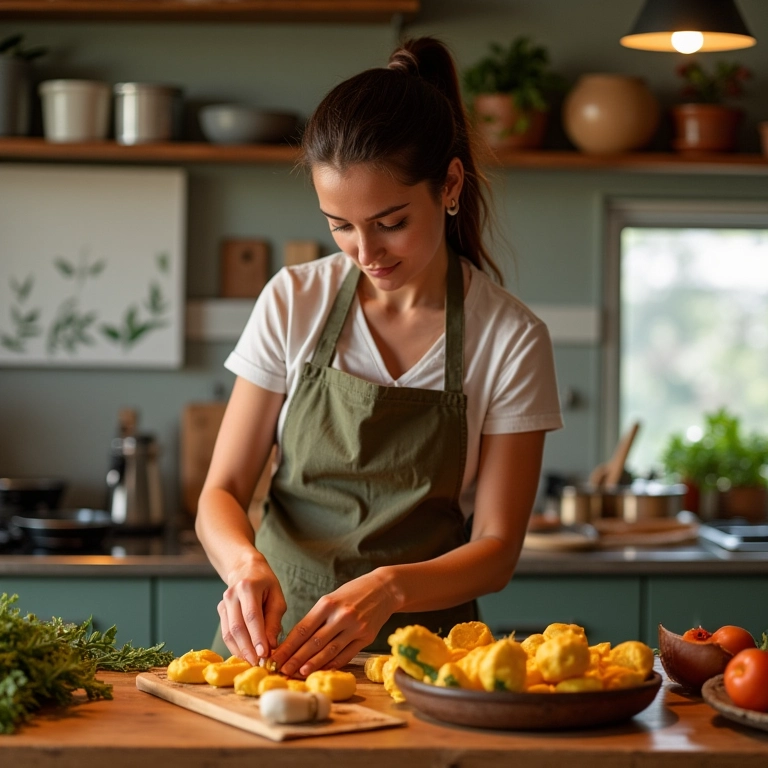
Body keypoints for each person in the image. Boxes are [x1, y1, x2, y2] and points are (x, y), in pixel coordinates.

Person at [195, 36, 563, 680]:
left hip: (432, 664)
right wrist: (244, 565)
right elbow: (220, 493)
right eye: (339, 224)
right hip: (280, 650)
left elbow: (497, 551)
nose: (365, 251)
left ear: (449, 183)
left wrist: (390, 588)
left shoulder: (510, 337)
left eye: (390, 222)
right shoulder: (292, 300)